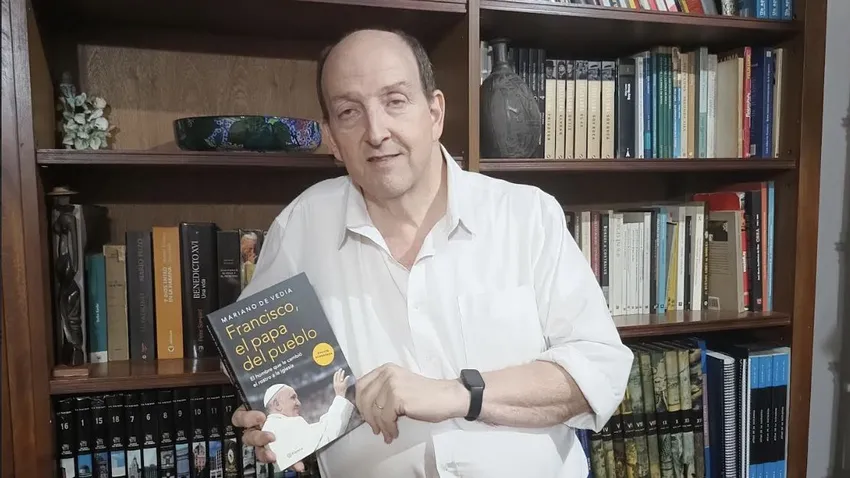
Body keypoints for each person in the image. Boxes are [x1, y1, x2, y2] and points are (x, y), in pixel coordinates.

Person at [230, 27, 633, 478]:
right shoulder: (299, 228)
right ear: (332, 140)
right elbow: (270, 375)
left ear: (435, 113)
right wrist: (266, 417)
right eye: (349, 112)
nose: (376, 132)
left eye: (395, 101)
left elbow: (599, 373)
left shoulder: (527, 215)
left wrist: (457, 394)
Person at [260, 369, 355, 469]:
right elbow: (329, 435)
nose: (298, 403)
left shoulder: (273, 426)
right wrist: (340, 395)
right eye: (293, 397)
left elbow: (322, 427)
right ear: (277, 404)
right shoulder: (286, 425)